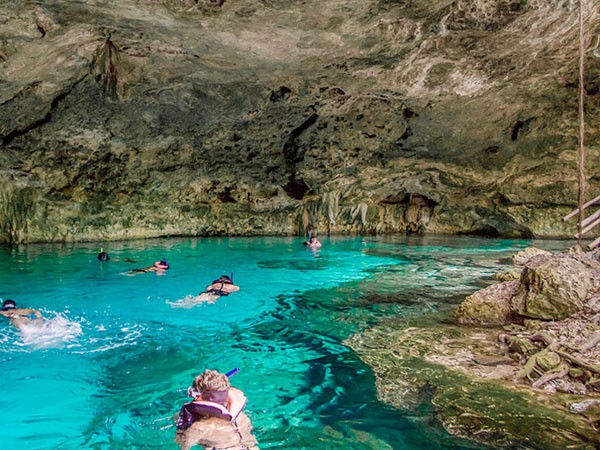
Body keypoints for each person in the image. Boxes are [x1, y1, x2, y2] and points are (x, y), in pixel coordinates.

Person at [175, 369, 258, 450]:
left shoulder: (200, 428)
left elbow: (183, 446)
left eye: (194, 394)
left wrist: (180, 425)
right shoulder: (242, 417)